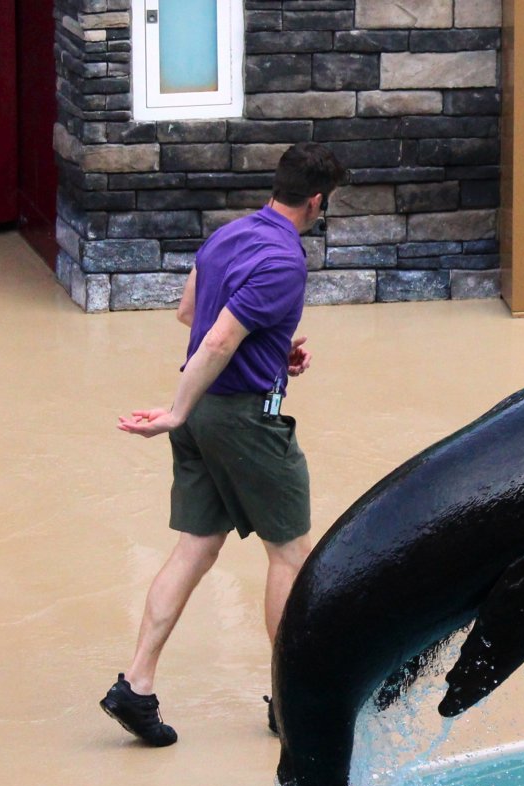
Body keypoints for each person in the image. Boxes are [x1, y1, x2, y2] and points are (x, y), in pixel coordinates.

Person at [101, 143, 346, 747]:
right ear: (316, 201)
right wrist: (174, 410)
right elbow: (214, 342)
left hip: (204, 417)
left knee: (195, 548)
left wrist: (272, 349)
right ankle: (290, 704)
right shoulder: (285, 259)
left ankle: (136, 685)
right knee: (290, 555)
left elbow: (190, 313)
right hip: (241, 421)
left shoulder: (229, 236)